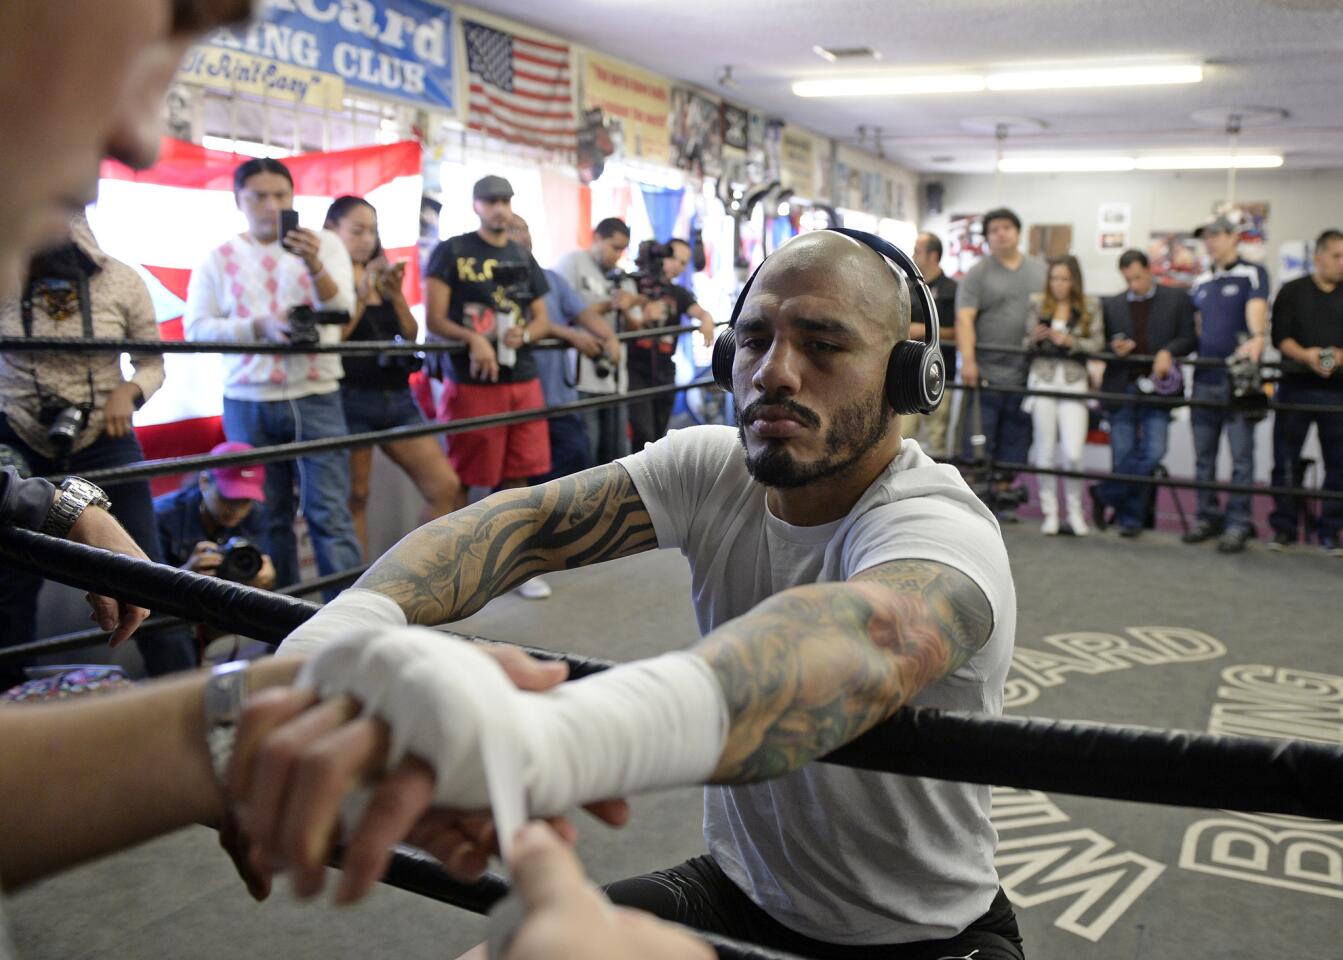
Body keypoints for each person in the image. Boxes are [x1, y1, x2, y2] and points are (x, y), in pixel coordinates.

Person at [262, 229, 1022, 958]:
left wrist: (544, 742)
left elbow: (855, 643)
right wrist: (337, 635)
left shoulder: (936, 524)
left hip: (923, 940)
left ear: (906, 376)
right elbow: (524, 525)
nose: (775, 373)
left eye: (823, 346)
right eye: (753, 340)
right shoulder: (711, 468)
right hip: (740, 894)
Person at [0, 214, 198, 682]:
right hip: (16, 433)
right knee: (9, 577)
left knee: (145, 572)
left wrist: (127, 394)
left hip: (103, 436)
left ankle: (185, 699)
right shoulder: (5, 272)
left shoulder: (123, 279)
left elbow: (152, 362)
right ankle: (10, 720)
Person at [184, 158, 362, 595]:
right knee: (266, 517)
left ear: (294, 197)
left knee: (329, 514)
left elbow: (341, 316)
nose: (271, 205)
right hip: (246, 399)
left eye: (281, 195)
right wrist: (258, 326)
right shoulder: (218, 259)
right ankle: (281, 623)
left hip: (316, 393)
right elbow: (196, 329)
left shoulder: (326, 246)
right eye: (258, 196)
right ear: (238, 201)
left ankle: (358, 627)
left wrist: (315, 265)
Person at [424, 177, 554, 598]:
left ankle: (513, 565)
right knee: (463, 478)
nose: (499, 208)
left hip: (522, 377)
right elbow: (434, 319)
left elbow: (540, 317)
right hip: (472, 381)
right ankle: (452, 565)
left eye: (505, 201)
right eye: (491, 201)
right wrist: (473, 338)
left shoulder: (521, 254)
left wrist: (526, 336)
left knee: (519, 476)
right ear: (476, 205)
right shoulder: (453, 251)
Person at [324, 195, 465, 556]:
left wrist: (396, 294)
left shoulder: (381, 272)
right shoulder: (324, 277)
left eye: (372, 230)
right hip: (349, 398)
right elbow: (334, 338)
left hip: (397, 397)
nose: (367, 239)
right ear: (331, 231)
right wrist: (360, 293)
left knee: (444, 487)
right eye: (357, 230)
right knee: (355, 497)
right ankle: (357, 594)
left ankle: (407, 571)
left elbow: (410, 331)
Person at [505, 214, 620, 481]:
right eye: (514, 230)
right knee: (521, 474)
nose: (523, 236)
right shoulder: (499, 282)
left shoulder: (551, 280)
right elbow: (527, 324)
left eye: (526, 229)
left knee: (577, 455)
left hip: (557, 397)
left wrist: (609, 337)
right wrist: (569, 335)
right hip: (519, 395)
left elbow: (582, 313)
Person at [1091, 249, 1197, 537]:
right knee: (1123, 453)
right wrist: (1113, 349)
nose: (1133, 284)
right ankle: (1130, 519)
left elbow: (1189, 338)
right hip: (1121, 385)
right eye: (1127, 279)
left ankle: (1105, 493)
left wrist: (1168, 351)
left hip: (1159, 389)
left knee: (1154, 451)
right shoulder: (1111, 304)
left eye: (1137, 277)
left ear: (1149, 270)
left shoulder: (1176, 299)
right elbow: (1097, 344)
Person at [1182, 216, 1269, 554]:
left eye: (1217, 235)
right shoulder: (1201, 281)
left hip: (1237, 380)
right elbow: (1194, 327)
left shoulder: (1252, 272)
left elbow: (1257, 309)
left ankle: (1237, 523)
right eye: (1206, 236)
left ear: (1234, 237)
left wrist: (1258, 336)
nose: (1211, 241)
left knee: (1241, 458)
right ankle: (1207, 516)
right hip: (1204, 378)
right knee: (1204, 457)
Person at [955, 208, 1048, 517]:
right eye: (994, 230)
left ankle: (1006, 498)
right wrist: (968, 360)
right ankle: (975, 504)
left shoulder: (1040, 271)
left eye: (1007, 227)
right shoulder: (978, 272)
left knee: (1017, 438)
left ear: (1018, 232)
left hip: (1026, 371)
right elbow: (965, 319)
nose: (1002, 233)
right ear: (988, 238)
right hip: (985, 372)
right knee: (979, 438)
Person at [1267, 228, 1343, 553]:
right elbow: (1279, 337)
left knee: (1338, 464)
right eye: (1337, 255)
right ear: (1318, 257)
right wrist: (1307, 356)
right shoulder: (1293, 291)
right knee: (1286, 461)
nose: (1342, 263)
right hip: (1295, 387)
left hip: (1337, 391)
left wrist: (1337, 357)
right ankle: (1284, 528)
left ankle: (1330, 532)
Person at [554, 218, 645, 463]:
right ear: (596, 238)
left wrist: (625, 308)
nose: (618, 254)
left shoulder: (623, 280)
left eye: (622, 249)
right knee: (585, 448)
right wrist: (608, 304)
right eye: (614, 247)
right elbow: (564, 311)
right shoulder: (571, 263)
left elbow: (635, 326)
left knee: (616, 450)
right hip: (580, 375)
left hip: (615, 377)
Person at [1024, 255, 1103, 535]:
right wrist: (1035, 337)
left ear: (1074, 281)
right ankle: (1050, 513)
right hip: (1043, 379)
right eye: (1054, 278)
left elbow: (1097, 342)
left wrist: (1070, 341)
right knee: (1044, 451)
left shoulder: (1090, 305)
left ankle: (1075, 510)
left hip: (1074, 381)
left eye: (1065, 278)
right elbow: (1024, 341)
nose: (1058, 284)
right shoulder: (1037, 302)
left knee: (1073, 453)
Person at [625, 239, 716, 450]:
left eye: (683, 263)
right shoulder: (634, 285)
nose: (677, 266)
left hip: (665, 370)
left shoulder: (678, 293)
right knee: (643, 433)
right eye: (673, 258)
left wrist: (707, 319)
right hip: (636, 369)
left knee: (658, 435)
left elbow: (700, 312)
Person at [153, 440, 275, 589]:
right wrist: (186, 575)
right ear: (204, 481)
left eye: (245, 500)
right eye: (228, 498)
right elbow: (150, 589)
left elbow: (260, 570)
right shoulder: (161, 517)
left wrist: (263, 577)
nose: (236, 509)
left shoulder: (255, 513)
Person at [899, 232, 958, 457]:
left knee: (936, 437)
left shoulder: (952, 289)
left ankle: (935, 488)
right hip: (906, 372)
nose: (913, 255)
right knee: (902, 436)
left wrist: (925, 330)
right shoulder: (904, 285)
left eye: (917, 250)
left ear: (933, 255)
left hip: (940, 373)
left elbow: (958, 332)